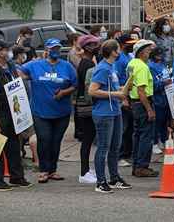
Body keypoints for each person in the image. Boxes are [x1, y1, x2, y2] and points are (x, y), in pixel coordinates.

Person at [18, 38, 78, 184]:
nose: (55, 51)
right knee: (44, 140)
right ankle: (43, 170)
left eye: (58, 49)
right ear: (46, 50)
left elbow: (75, 85)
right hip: (40, 110)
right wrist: (28, 63)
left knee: (56, 141)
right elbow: (17, 73)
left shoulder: (67, 66)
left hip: (61, 111)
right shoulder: (35, 65)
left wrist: (63, 92)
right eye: (52, 49)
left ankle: (53, 170)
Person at [88, 39, 131, 194]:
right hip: (104, 112)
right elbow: (92, 91)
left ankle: (114, 178)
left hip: (115, 110)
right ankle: (100, 181)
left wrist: (121, 88)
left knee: (115, 147)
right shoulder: (102, 68)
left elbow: (109, 87)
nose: (119, 52)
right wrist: (115, 93)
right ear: (113, 52)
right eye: (118, 49)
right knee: (103, 147)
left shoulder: (111, 67)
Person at [0, 40, 32, 191]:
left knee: (13, 145)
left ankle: (16, 176)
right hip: (0, 113)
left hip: (14, 110)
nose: (9, 52)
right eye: (6, 49)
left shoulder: (10, 66)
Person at [126, 39, 159, 178]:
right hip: (143, 103)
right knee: (146, 136)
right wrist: (149, 109)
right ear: (142, 53)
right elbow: (141, 90)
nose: (150, 53)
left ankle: (137, 163)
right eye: (148, 51)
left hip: (135, 103)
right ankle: (142, 165)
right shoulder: (143, 67)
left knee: (137, 134)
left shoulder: (132, 63)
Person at [75, 35, 102, 184]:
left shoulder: (87, 63)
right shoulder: (87, 65)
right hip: (87, 107)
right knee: (87, 139)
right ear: (87, 47)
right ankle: (84, 172)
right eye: (94, 44)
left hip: (85, 105)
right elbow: (88, 89)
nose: (97, 46)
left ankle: (86, 170)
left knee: (88, 138)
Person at [11, 45, 39, 170]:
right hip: (23, 106)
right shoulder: (18, 70)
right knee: (30, 133)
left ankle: (19, 157)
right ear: (19, 55)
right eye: (23, 54)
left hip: (16, 107)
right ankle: (37, 160)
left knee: (20, 134)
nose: (24, 56)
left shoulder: (11, 68)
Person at [115, 35, 136, 168]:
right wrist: (122, 97)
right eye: (129, 43)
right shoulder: (119, 59)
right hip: (122, 95)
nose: (131, 45)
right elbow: (116, 78)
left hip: (130, 93)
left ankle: (127, 151)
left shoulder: (129, 57)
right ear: (122, 44)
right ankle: (119, 155)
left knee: (129, 127)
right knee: (122, 127)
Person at [147, 47, 172, 156]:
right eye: (161, 53)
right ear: (156, 56)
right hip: (158, 99)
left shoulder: (163, 65)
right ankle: (154, 143)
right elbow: (151, 86)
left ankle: (163, 140)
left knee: (164, 122)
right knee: (157, 123)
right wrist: (163, 83)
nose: (163, 55)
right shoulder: (151, 68)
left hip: (166, 99)